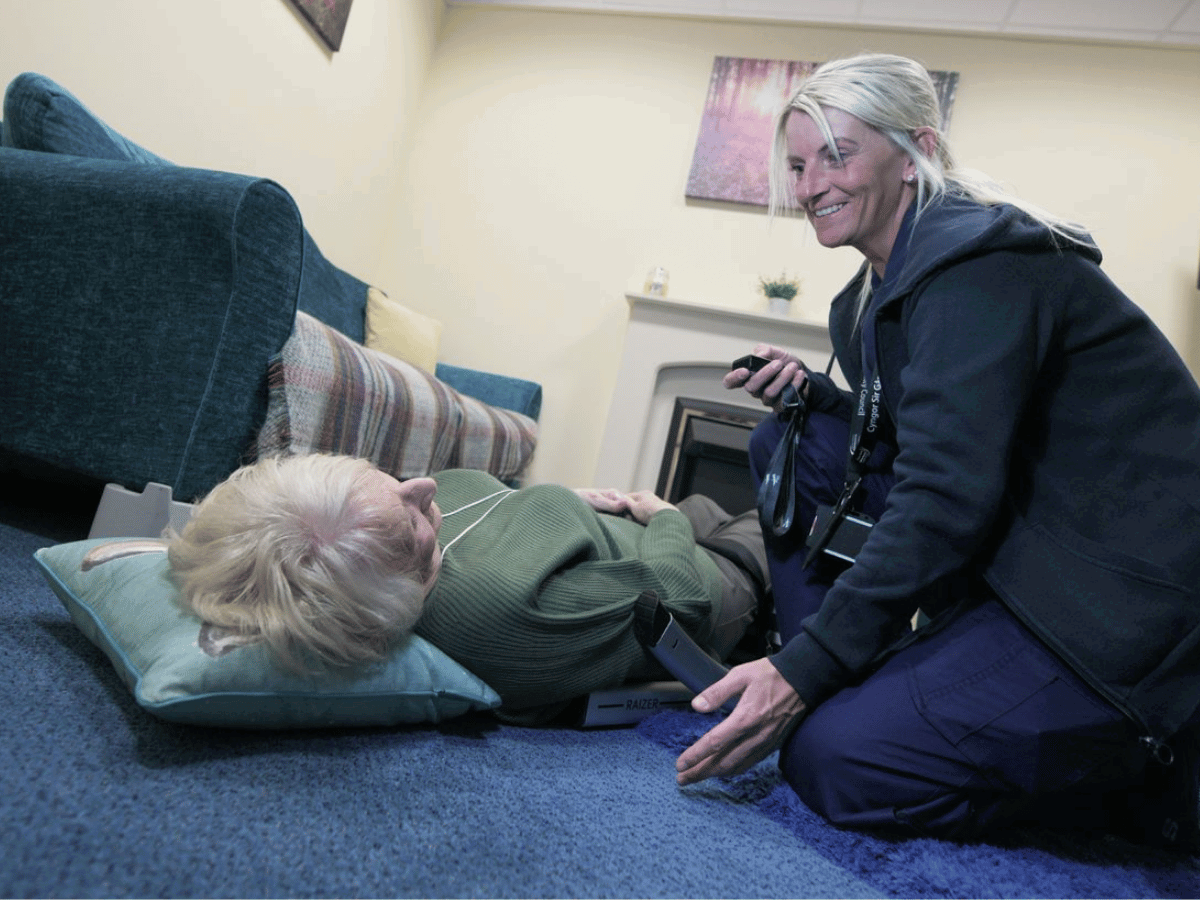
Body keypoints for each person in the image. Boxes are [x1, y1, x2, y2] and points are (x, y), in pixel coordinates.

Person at [674, 52, 1200, 848]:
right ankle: (838, 675)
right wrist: (821, 400)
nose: (811, 184)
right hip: (1017, 560)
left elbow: (947, 492)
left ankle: (1151, 794)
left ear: (914, 151)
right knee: (792, 439)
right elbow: (936, 434)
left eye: (838, 155)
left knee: (833, 765)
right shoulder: (866, 301)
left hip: (1113, 613)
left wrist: (801, 676)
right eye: (797, 164)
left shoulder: (977, 265)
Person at [166, 452, 769, 724]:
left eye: (383, 478)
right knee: (783, 514)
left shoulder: (377, 532)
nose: (423, 484)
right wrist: (664, 517)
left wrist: (557, 503)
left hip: (618, 522)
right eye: (410, 522)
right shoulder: (502, 613)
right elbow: (678, 600)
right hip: (706, 565)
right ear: (389, 598)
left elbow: (484, 510)